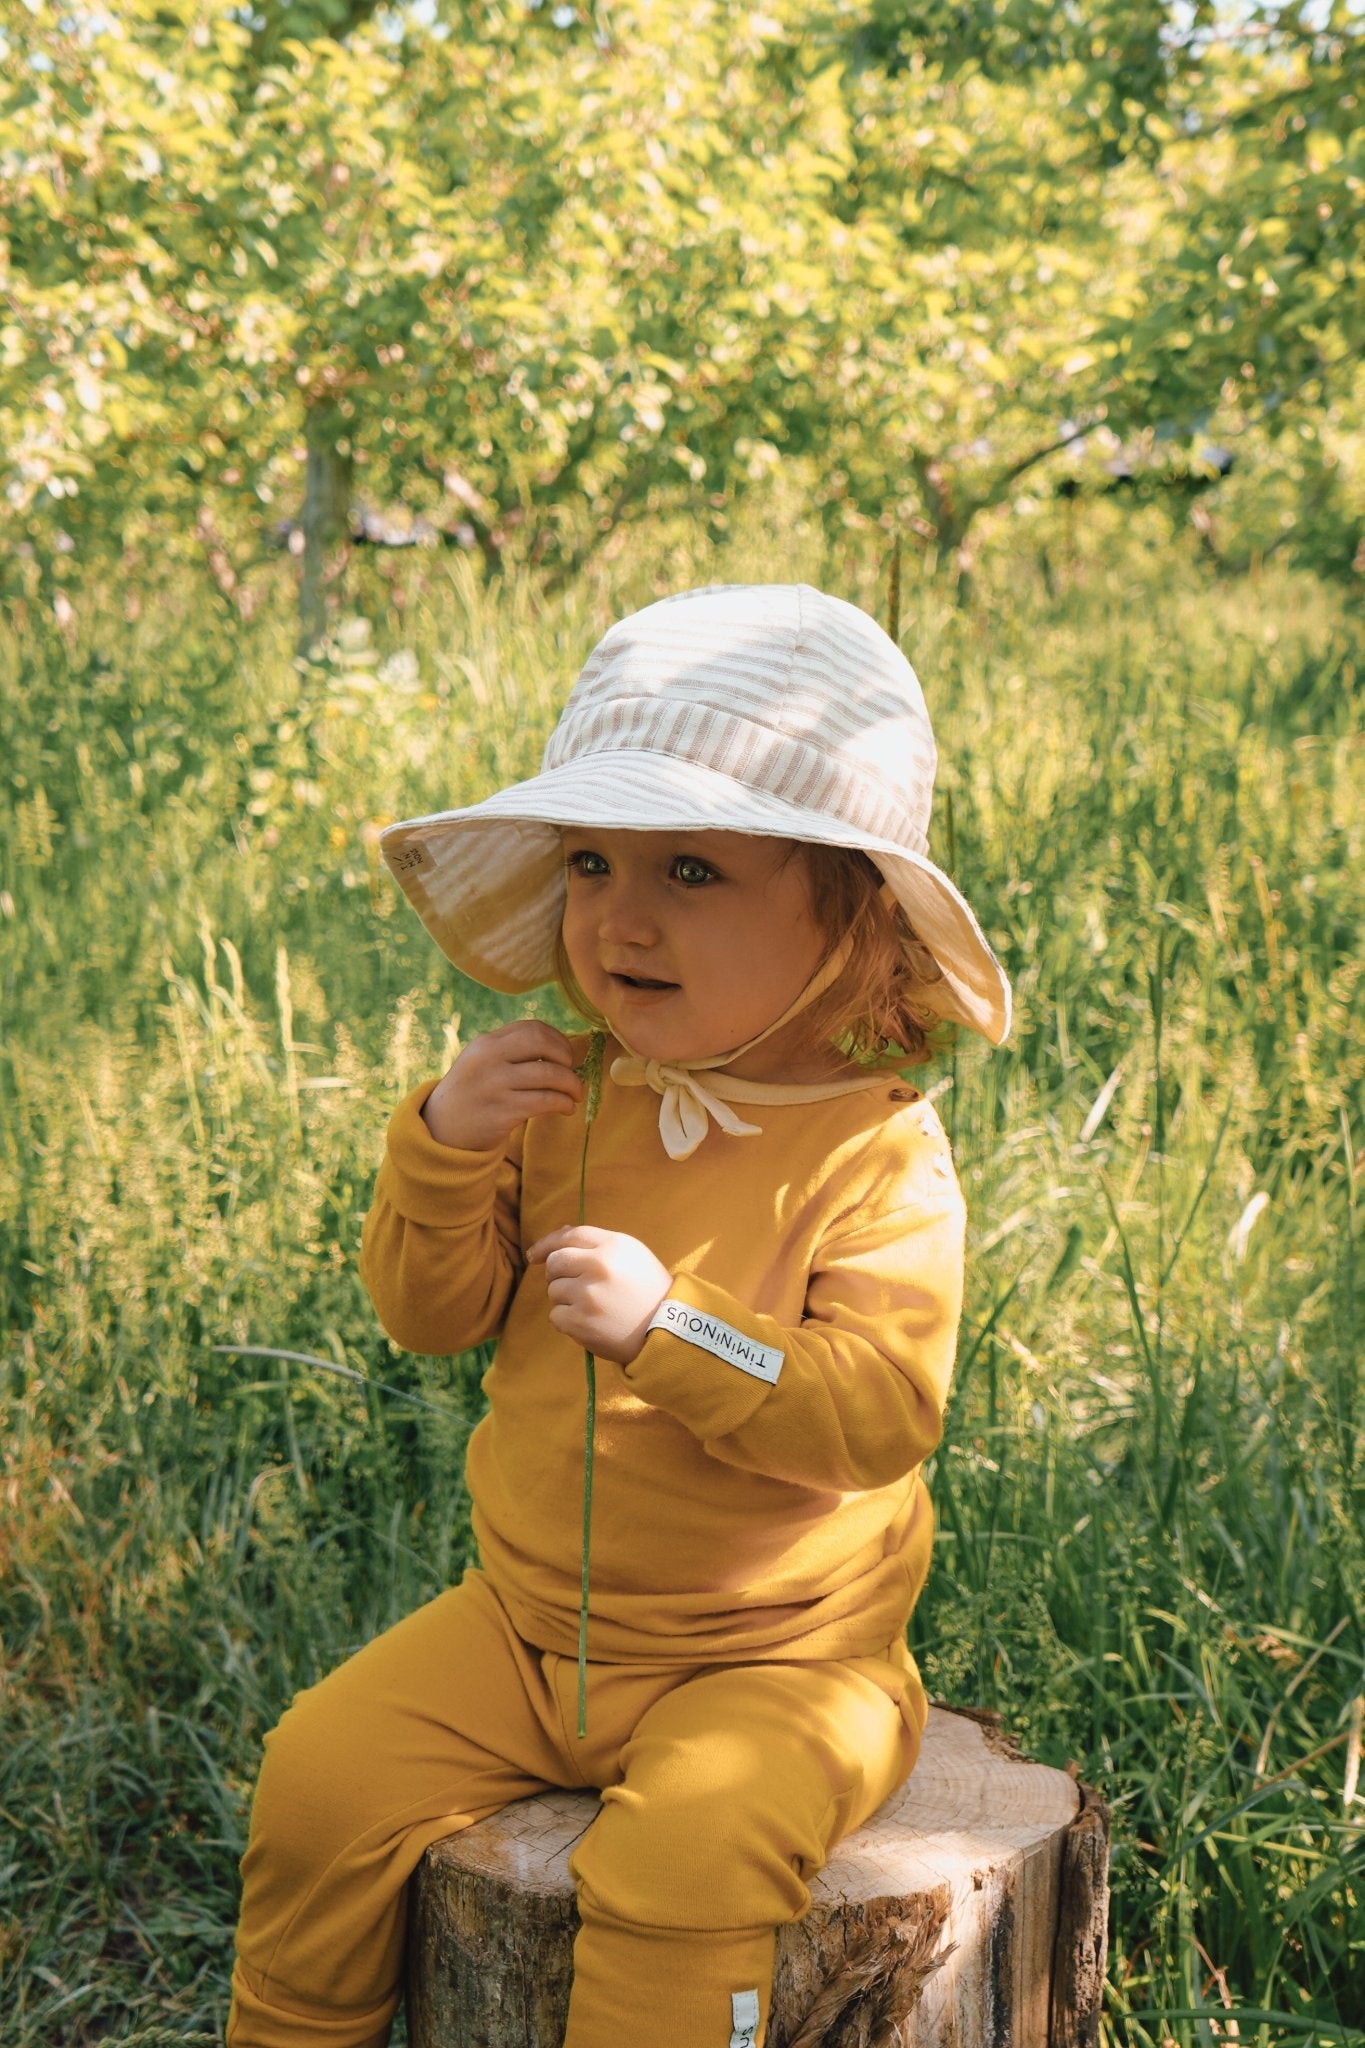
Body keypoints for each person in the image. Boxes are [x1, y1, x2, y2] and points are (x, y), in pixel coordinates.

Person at [227, 582, 1011, 2048]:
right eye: (590, 862)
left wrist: (678, 1326)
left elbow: (879, 1416)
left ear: (849, 916)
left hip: (784, 1662)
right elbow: (431, 1315)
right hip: (528, 1629)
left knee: (684, 1864)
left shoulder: (872, 1148)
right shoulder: (561, 1096)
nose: (619, 918)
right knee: (318, 1777)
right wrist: (442, 1149)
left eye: (691, 870)